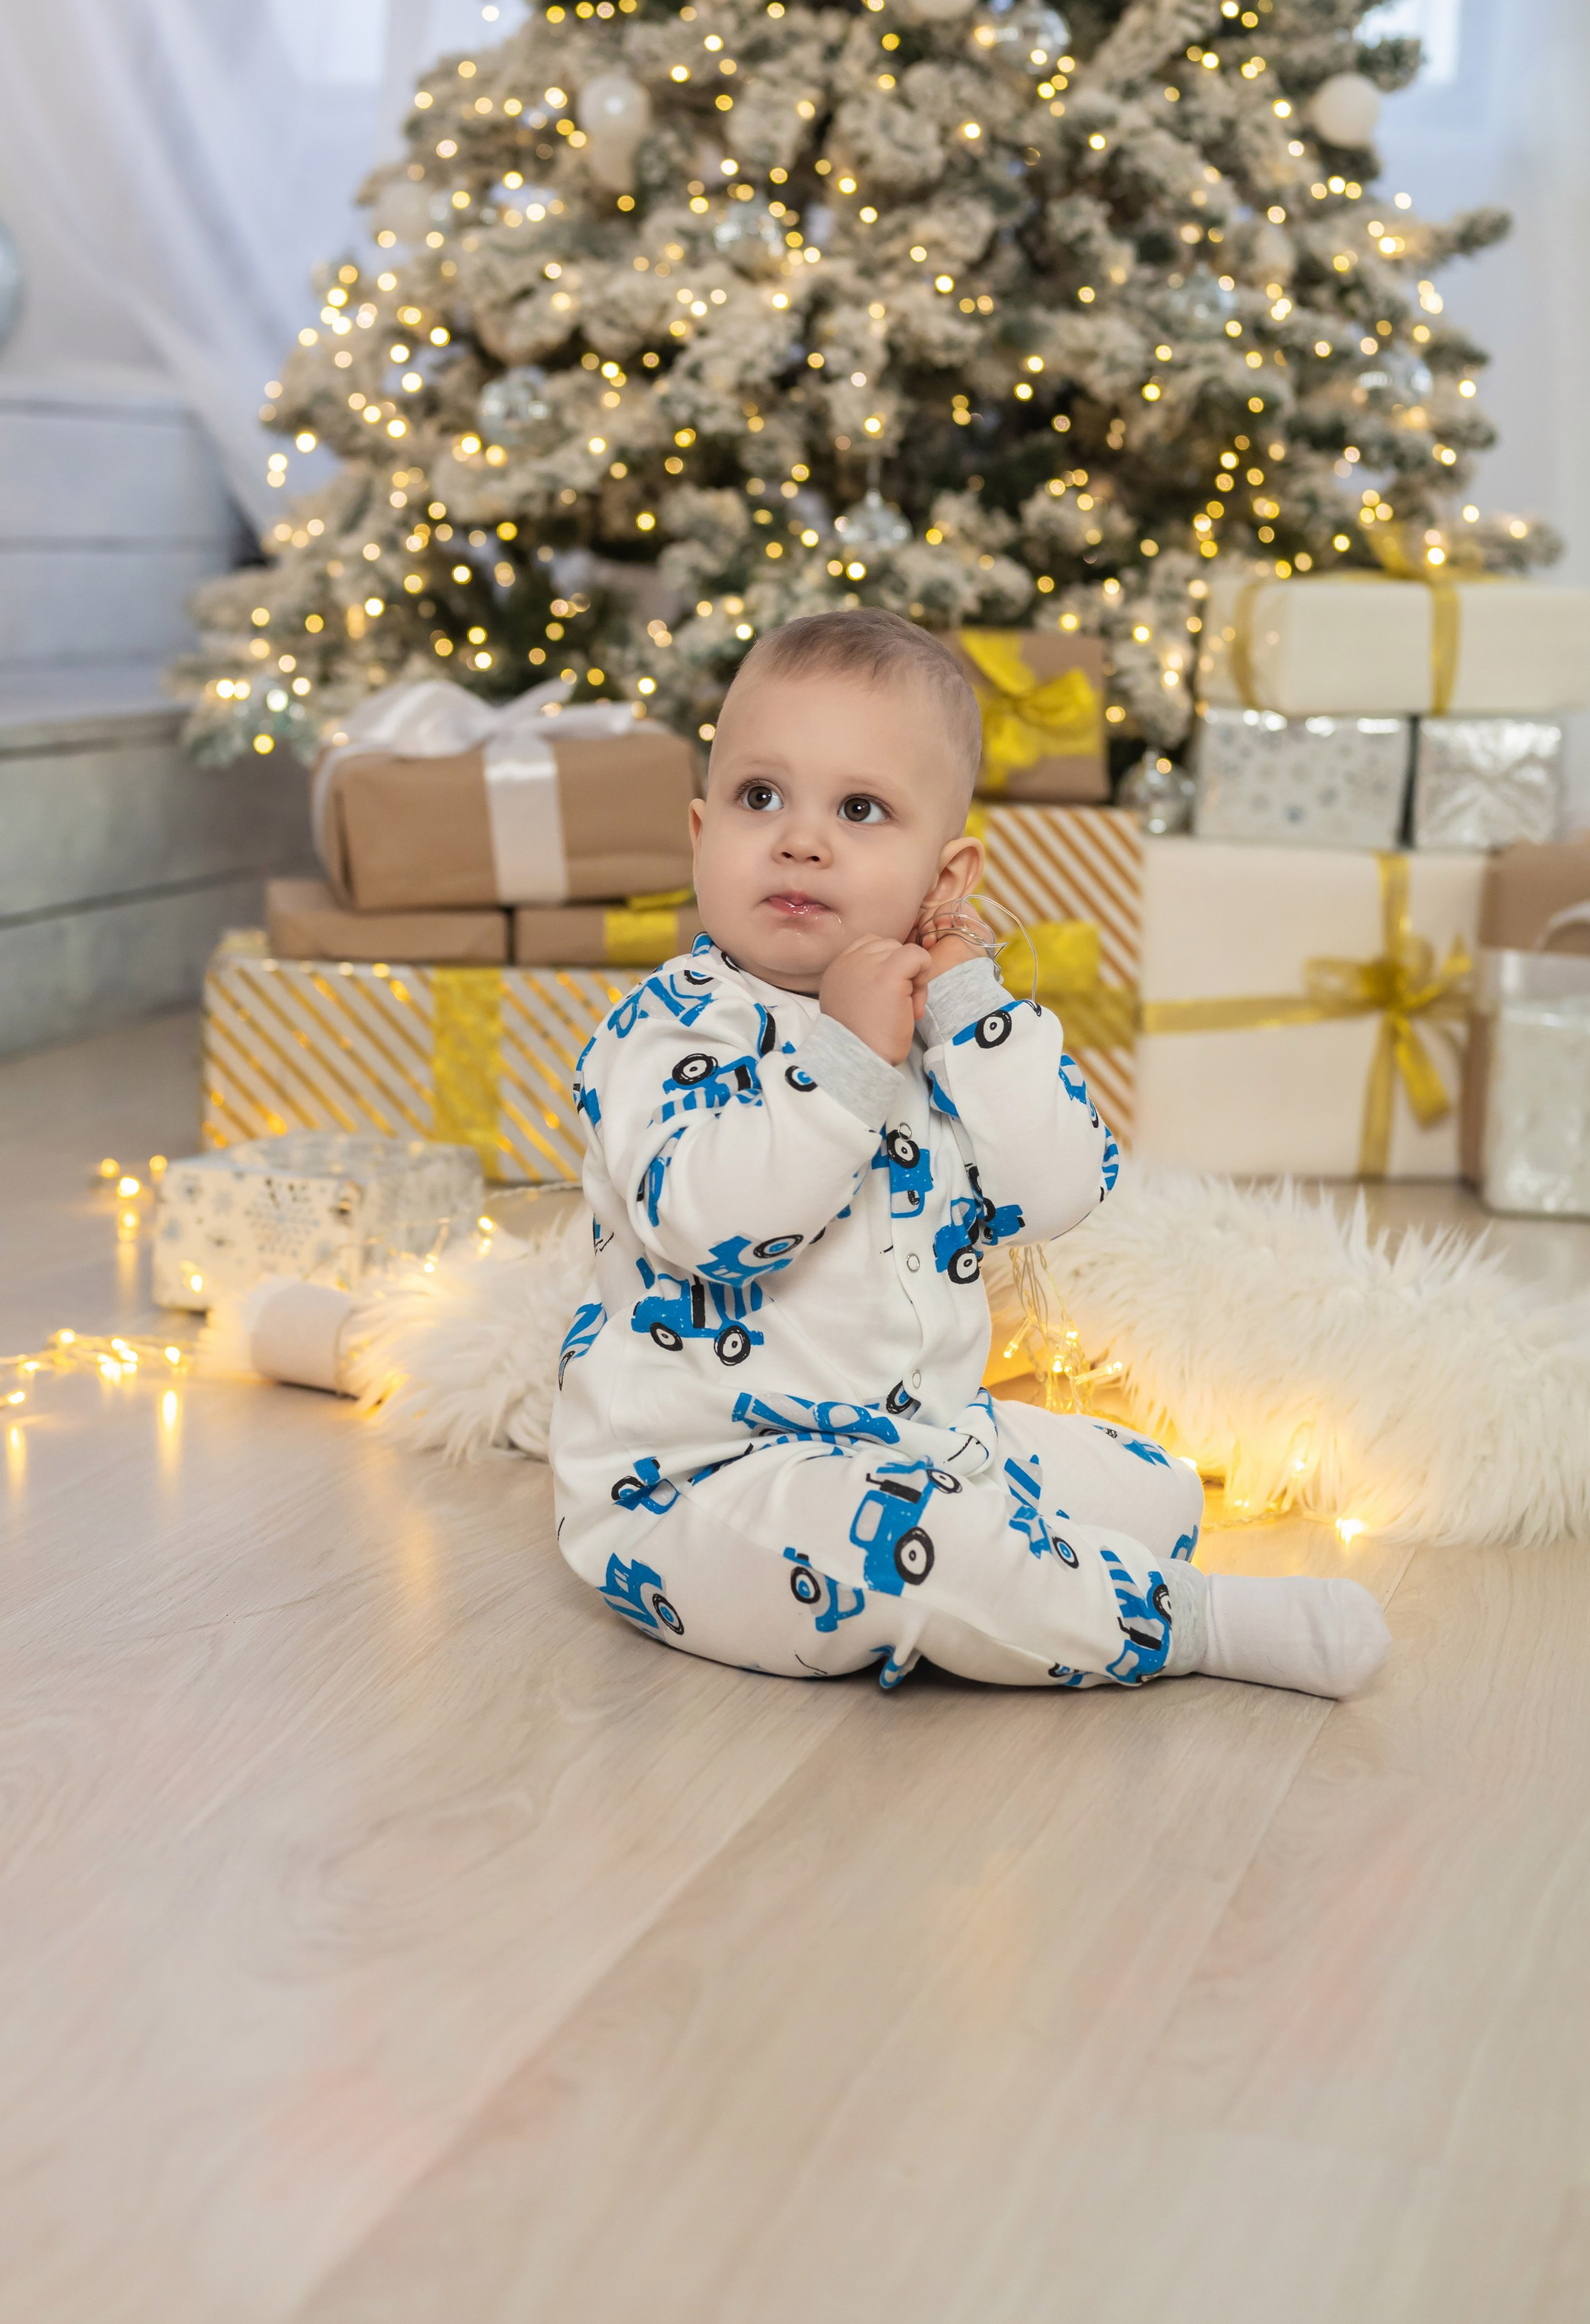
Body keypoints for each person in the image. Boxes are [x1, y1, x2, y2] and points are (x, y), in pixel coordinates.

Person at [551, 609, 1390, 1700]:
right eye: (763, 799)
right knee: (925, 1552)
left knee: (1156, 1489)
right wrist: (846, 1059)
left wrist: (964, 992)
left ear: (945, 877)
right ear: (703, 832)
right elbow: (716, 1230)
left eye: (860, 809)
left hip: (924, 1431)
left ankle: (1054, 1573)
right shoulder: (665, 1030)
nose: (801, 839)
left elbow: (1059, 1189)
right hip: (707, 1484)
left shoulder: (940, 1024)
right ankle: (1186, 1625)